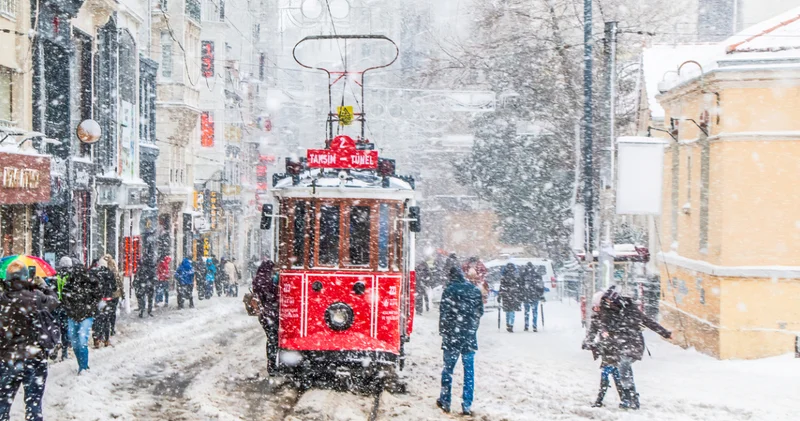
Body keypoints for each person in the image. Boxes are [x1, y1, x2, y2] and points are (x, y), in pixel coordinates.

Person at [588, 287, 672, 410]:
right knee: (620, 371)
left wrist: (665, 333)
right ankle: (629, 398)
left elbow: (648, 321)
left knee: (623, 367)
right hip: (616, 347)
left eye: (608, 302)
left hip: (632, 345)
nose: (607, 304)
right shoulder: (607, 312)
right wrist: (593, 340)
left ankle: (628, 398)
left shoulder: (629, 310)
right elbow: (600, 326)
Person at [0, 261, 60, 421]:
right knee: (34, 405)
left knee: (3, 404)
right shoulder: (37, 298)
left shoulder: (2, 300)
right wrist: (42, 286)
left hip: (8, 359)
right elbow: (54, 301)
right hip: (34, 358)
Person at [436, 266, 484, 416]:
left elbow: (443, 313)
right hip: (468, 336)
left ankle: (445, 401)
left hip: (452, 337)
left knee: (448, 369)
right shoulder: (474, 290)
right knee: (468, 371)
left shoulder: (449, 291)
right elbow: (479, 312)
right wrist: (471, 328)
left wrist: (444, 332)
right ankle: (467, 404)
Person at [582, 291, 623, 408]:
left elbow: (611, 332)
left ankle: (601, 399)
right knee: (614, 374)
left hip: (613, 350)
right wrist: (588, 341)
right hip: (607, 350)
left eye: (596, 306)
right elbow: (592, 331)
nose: (595, 308)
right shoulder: (598, 317)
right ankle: (623, 398)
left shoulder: (611, 315)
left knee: (609, 373)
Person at [61, 261, 102, 374]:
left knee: (81, 340)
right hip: (75, 315)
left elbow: (97, 296)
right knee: (75, 341)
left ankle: (83, 367)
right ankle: (82, 364)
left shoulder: (90, 282)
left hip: (84, 315)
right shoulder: (71, 283)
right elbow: (65, 297)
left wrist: (88, 309)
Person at [252, 260, 279, 373]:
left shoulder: (257, 279)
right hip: (271, 313)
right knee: (274, 340)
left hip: (263, 314)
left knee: (271, 339)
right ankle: (272, 365)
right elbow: (272, 296)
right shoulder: (268, 280)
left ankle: (271, 364)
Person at [90, 258, 117, 348]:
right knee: (106, 320)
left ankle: (96, 339)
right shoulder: (110, 273)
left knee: (96, 320)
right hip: (108, 300)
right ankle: (106, 339)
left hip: (97, 300)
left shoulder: (94, 273)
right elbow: (114, 288)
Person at [53, 256, 73, 360]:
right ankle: (64, 352)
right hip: (66, 306)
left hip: (56, 306)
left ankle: (56, 344)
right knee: (65, 329)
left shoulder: (55, 276)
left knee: (55, 328)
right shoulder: (70, 277)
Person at [520, 263, 546, 332]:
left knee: (526, 312)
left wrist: (521, 295)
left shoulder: (523, 275)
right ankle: (534, 326)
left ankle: (526, 325)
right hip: (535, 296)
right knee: (535, 312)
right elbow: (541, 286)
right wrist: (541, 295)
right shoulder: (537, 275)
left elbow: (520, 286)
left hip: (526, 296)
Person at [498, 263, 523, 332]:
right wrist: (520, 295)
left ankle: (507, 323)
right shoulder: (516, 277)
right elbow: (519, 287)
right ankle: (511, 324)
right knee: (512, 310)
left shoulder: (503, 278)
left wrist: (499, 296)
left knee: (507, 310)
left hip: (505, 295)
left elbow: (501, 287)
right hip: (513, 295)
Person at [104, 255, 124, 338]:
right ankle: (111, 328)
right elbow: (119, 282)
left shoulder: (103, 269)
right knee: (112, 312)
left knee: (105, 312)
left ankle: (106, 328)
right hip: (115, 294)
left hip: (106, 294)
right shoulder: (114, 269)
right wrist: (122, 293)